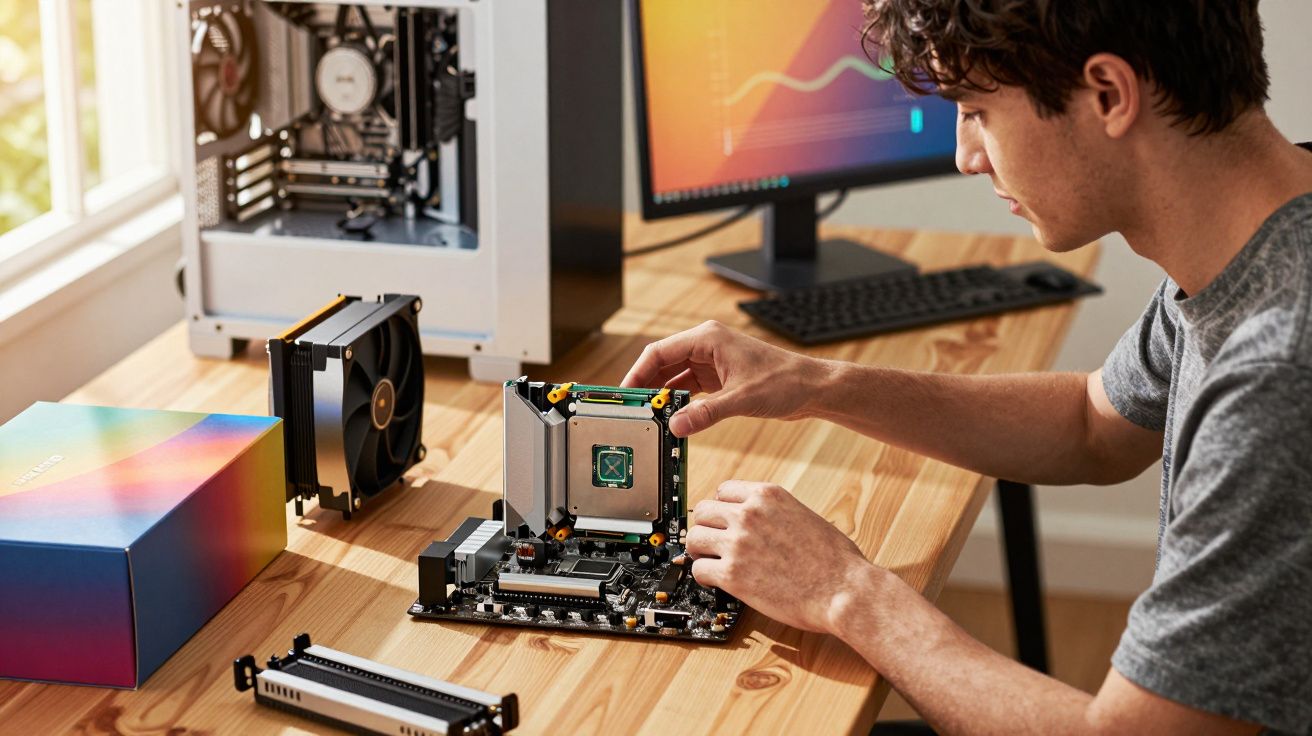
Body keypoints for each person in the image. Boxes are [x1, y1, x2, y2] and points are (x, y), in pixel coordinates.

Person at [621, 1, 1312, 733]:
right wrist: (815, 384)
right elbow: (1092, 425)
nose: (966, 156)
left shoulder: (1277, 367)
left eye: (977, 111)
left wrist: (844, 591)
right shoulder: (1259, 233)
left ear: (1110, 94)